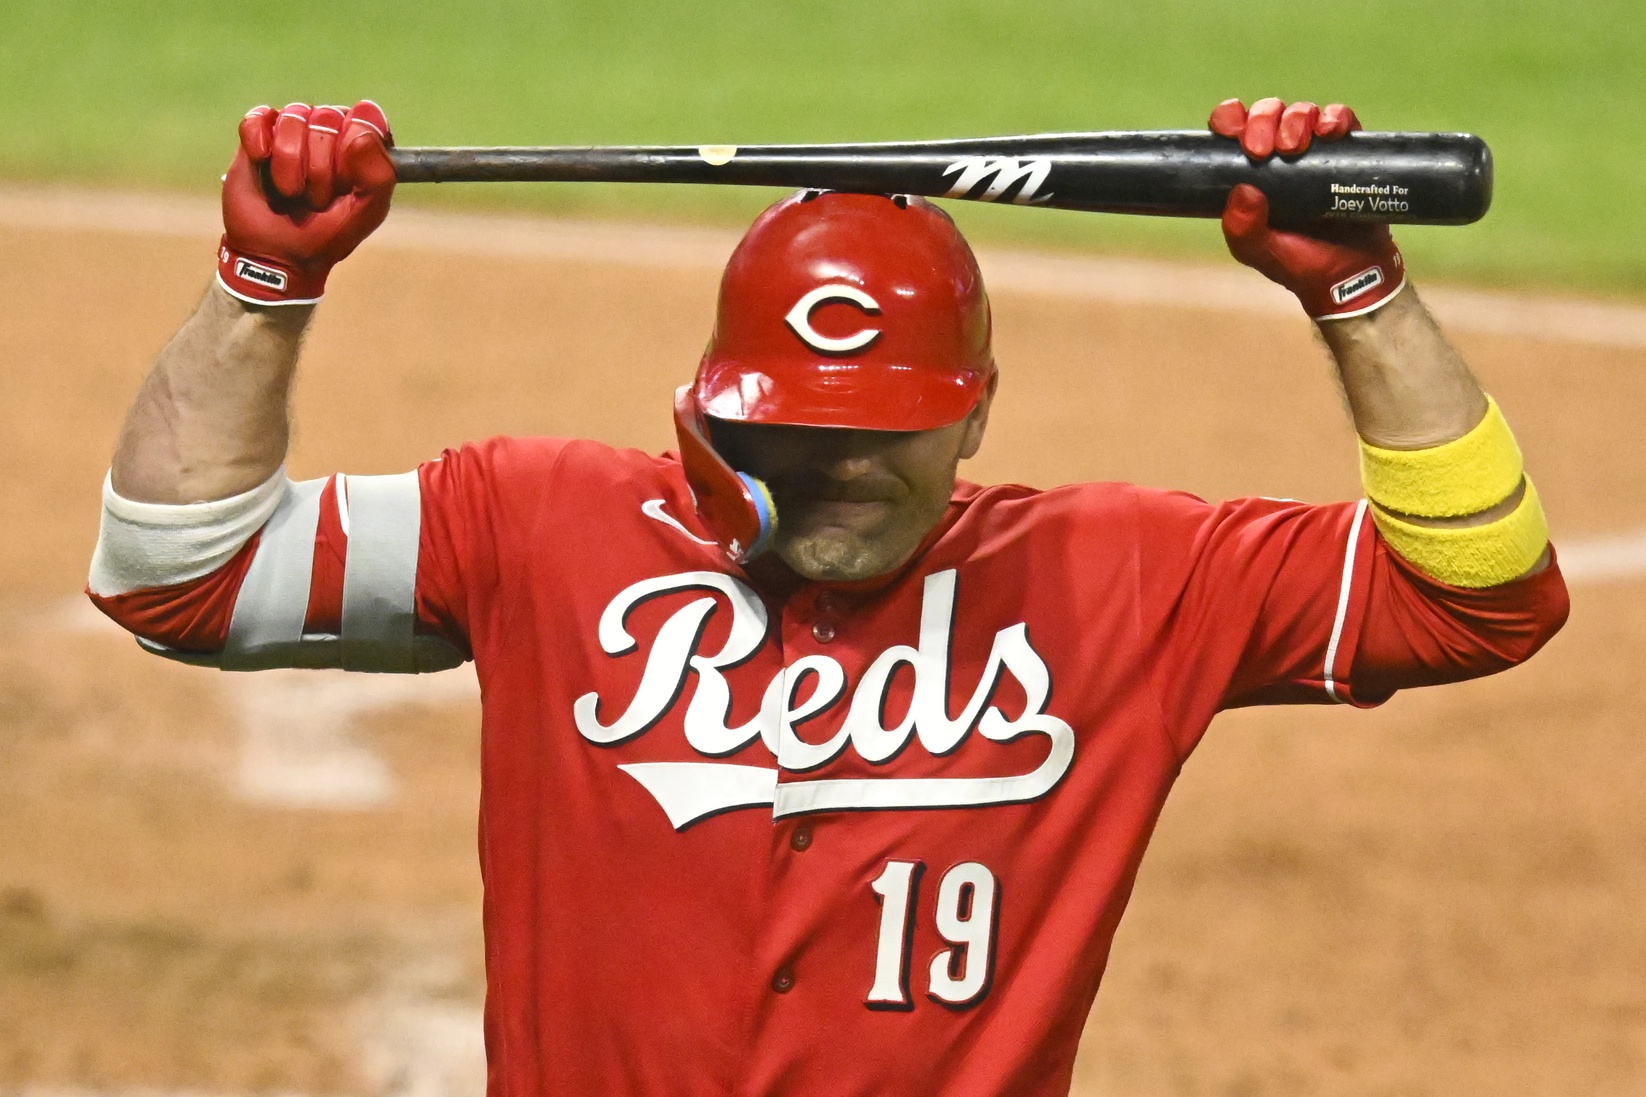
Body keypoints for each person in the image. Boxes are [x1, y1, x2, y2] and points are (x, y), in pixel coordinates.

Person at [89, 97, 1567, 1097]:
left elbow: (1477, 594)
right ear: (707, 407)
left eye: (885, 430)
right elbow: (181, 569)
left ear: (975, 413)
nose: (837, 473)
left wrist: (1354, 294)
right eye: (791, 431)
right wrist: (264, 277)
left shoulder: (1120, 576)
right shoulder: (544, 526)